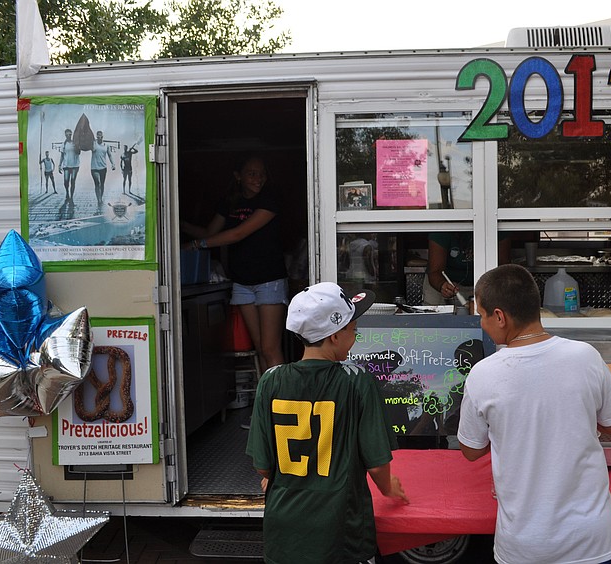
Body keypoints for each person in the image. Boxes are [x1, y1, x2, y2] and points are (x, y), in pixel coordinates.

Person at [458, 264, 611, 564]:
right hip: (592, 541)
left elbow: (471, 450)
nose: (481, 323)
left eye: (482, 315)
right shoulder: (585, 356)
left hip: (525, 545)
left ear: (499, 316)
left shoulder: (482, 374)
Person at [245, 281, 409, 564]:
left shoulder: (270, 380)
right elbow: (377, 463)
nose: (355, 335)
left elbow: (263, 466)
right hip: (339, 530)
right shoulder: (357, 381)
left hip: (283, 531)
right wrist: (388, 487)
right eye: (353, 329)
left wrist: (272, 475)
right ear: (334, 336)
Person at [181, 154, 288, 372]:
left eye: (262, 174)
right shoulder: (230, 202)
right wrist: (178, 223)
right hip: (241, 282)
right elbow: (210, 234)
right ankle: (268, 398)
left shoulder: (269, 199)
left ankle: (283, 402)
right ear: (238, 176)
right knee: (259, 347)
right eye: (252, 173)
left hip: (269, 280)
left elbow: (236, 234)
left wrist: (194, 245)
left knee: (270, 348)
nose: (258, 179)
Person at [424, 232, 511, 308]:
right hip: (446, 285)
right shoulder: (443, 227)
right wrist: (441, 285)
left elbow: (503, 268)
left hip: (486, 286)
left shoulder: (493, 224)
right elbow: (435, 271)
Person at [90, 130, 116, 206]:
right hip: (94, 168)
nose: (98, 137)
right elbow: (86, 146)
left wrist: (113, 164)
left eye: (100, 136)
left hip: (103, 167)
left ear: (102, 136)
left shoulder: (106, 145)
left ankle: (100, 197)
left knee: (102, 184)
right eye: (97, 136)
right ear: (96, 136)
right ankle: (99, 200)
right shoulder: (93, 144)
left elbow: (110, 155)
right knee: (97, 184)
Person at [57, 129, 81, 202]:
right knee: (66, 181)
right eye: (67, 135)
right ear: (65, 135)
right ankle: (67, 192)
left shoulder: (75, 143)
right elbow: (62, 155)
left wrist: (77, 147)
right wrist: (59, 165)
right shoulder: (63, 145)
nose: (68, 136)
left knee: (73, 181)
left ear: (71, 135)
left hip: (75, 165)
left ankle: (71, 196)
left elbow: (79, 152)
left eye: (69, 134)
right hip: (66, 165)